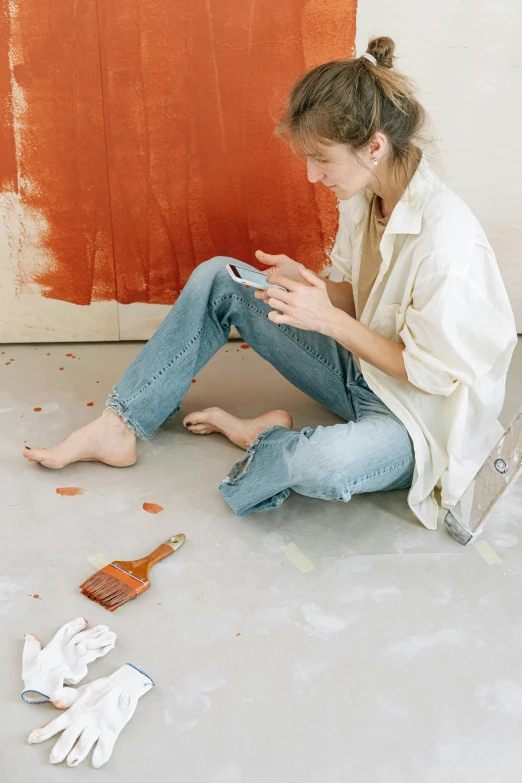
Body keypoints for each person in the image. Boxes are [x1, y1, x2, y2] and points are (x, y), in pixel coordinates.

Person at [23, 36, 517, 530]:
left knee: (319, 466)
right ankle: (119, 426)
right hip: (362, 373)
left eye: (323, 160)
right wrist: (310, 286)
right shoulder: (367, 193)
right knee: (222, 276)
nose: (311, 176)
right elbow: (363, 297)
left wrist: (328, 320)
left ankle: (262, 438)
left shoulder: (446, 245)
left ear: (374, 146)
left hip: (415, 422)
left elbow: (429, 375)